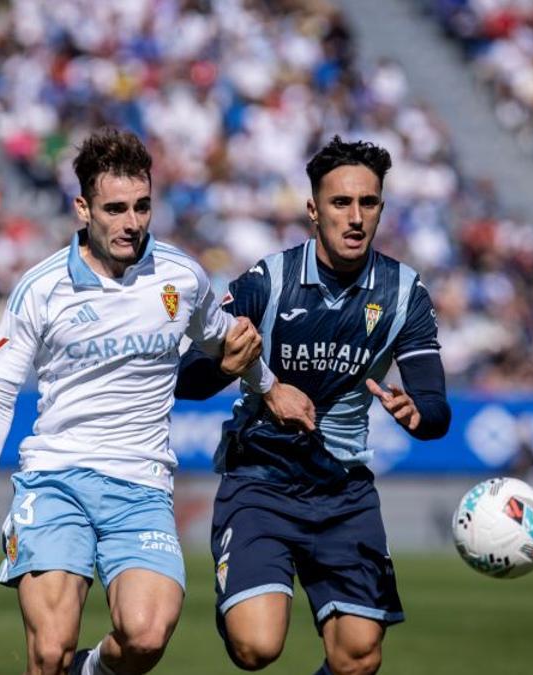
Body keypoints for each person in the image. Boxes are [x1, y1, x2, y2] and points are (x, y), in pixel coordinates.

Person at [0, 128, 313, 675]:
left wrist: (270, 386)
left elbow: (226, 340)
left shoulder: (181, 276)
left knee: (146, 635)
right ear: (83, 208)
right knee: (49, 650)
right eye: (116, 208)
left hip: (142, 486)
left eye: (142, 206)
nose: (132, 222)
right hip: (57, 478)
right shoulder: (41, 287)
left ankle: (91, 670)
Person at [175, 136, 452, 675]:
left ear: (381, 209)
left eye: (367, 203)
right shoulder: (268, 281)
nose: (355, 217)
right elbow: (187, 378)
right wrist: (230, 366)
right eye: (340, 203)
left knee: (358, 657)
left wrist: (420, 415)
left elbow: (435, 404)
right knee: (256, 647)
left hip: (342, 491)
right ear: (313, 210)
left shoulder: (403, 293)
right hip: (261, 480)